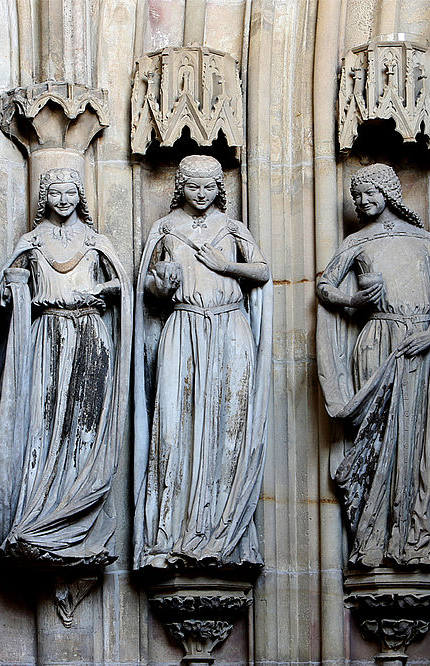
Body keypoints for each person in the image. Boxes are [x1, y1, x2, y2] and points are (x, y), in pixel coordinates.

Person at [316, 163, 430, 569]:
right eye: (357, 198)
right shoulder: (356, 241)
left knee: (419, 436)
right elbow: (324, 285)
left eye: (370, 194)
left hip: (420, 344)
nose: (364, 203)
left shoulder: (422, 239)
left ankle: (418, 530)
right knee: (382, 438)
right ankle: (374, 534)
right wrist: (354, 302)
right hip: (378, 343)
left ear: (389, 193)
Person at [133, 154, 272, 570]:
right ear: (181, 187)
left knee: (228, 425)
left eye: (209, 187)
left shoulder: (232, 228)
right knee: (175, 424)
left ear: (219, 189)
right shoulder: (164, 229)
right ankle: (172, 532)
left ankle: (222, 531)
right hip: (184, 327)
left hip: (229, 330)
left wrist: (225, 265)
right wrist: (162, 282)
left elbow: (262, 271)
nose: (201, 194)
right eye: (193, 186)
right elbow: (149, 290)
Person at [0, 168, 132, 567]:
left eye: (71, 192)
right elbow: (6, 292)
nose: (64, 200)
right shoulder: (31, 242)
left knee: (83, 430)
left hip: (88, 334)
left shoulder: (95, 242)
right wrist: (10, 292)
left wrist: (104, 289)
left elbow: (121, 285)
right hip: (47, 335)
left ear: (80, 197)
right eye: (56, 193)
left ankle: (77, 516)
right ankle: (39, 514)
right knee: (42, 425)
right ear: (45, 197)